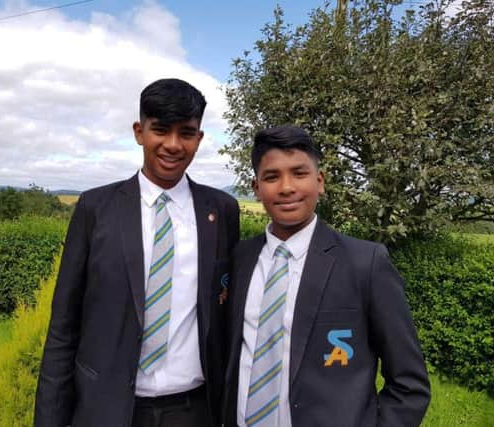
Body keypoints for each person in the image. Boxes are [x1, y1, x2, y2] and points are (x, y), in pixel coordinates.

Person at [35, 78, 240, 427]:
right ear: (138, 132)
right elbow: (63, 327)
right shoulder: (95, 208)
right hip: (107, 409)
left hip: (194, 412)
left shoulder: (222, 210)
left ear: (200, 139)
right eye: (160, 129)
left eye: (187, 133)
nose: (173, 145)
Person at [222, 125, 430, 426]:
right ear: (256, 188)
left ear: (319, 181)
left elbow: (409, 384)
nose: (286, 187)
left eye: (299, 173)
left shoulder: (366, 263)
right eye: (271, 177)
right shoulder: (240, 259)